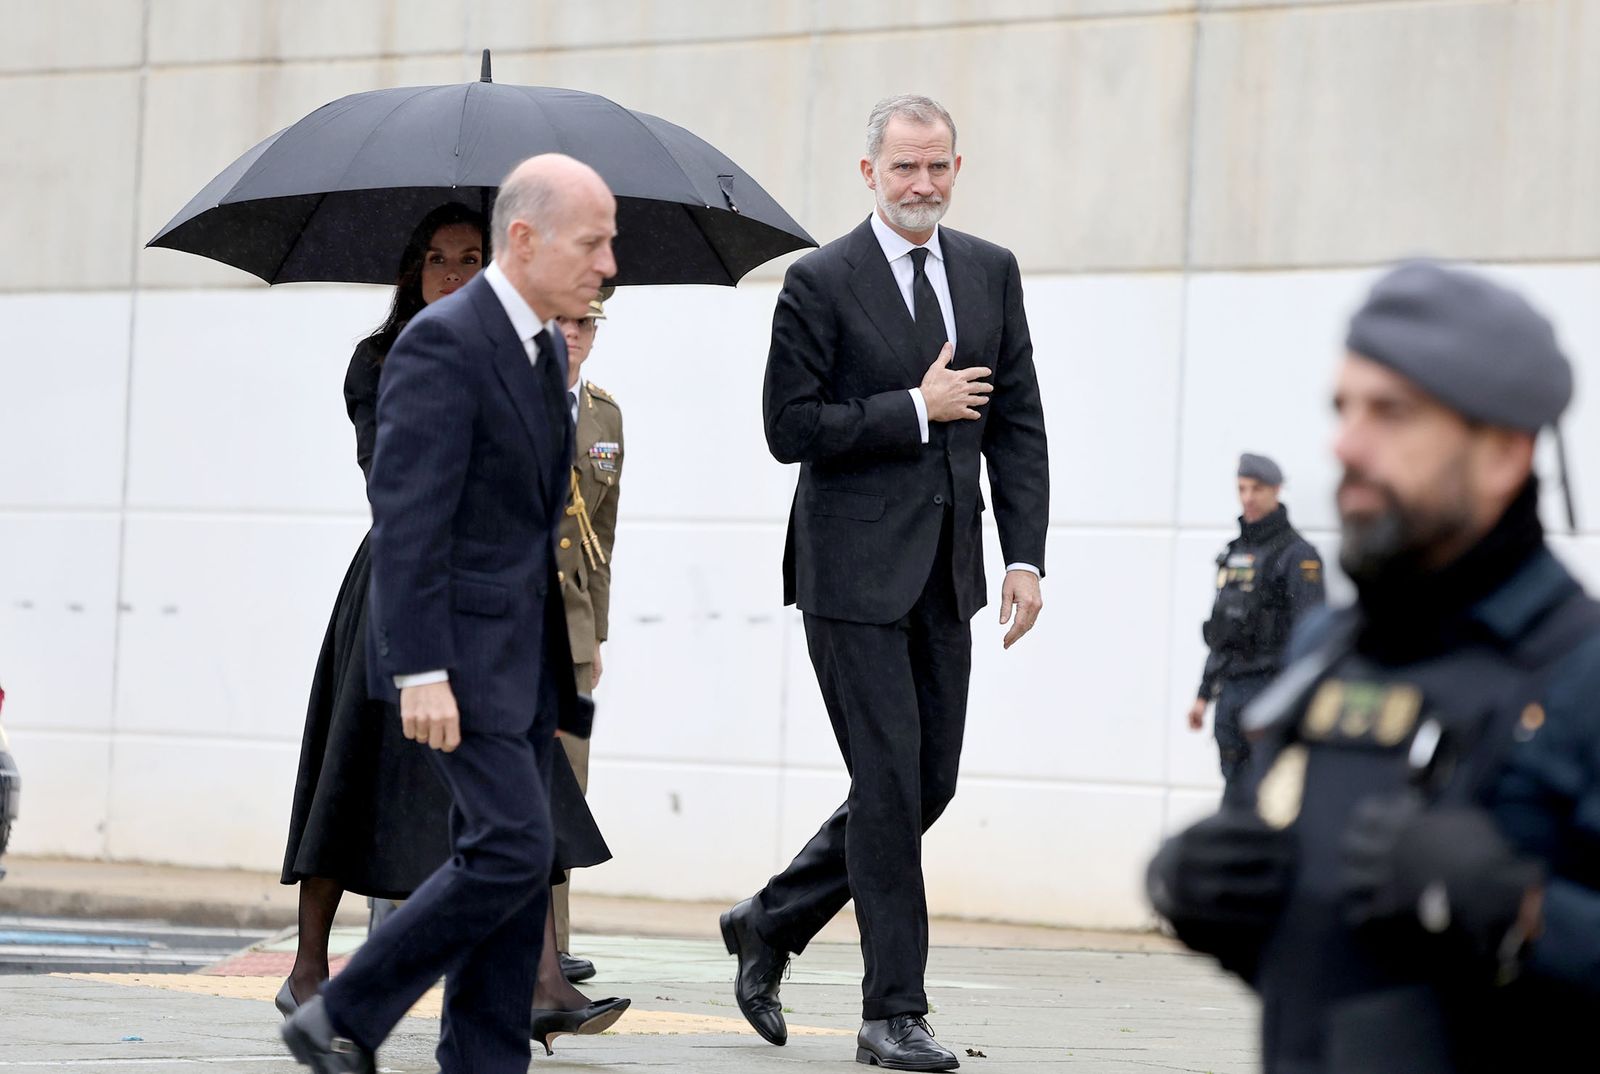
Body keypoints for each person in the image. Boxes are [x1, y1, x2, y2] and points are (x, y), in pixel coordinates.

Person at [1148, 260, 1600, 1073]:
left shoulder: (1581, 674)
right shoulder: (1328, 655)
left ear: (1502, 452)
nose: (1347, 445)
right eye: (1344, 409)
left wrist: (1523, 915)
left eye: (1392, 413)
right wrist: (1220, 904)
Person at [723, 94, 1049, 1072]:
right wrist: (915, 406)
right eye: (904, 167)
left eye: (937, 166)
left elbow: (1018, 423)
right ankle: (890, 1013)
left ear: (958, 168)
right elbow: (789, 429)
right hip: (848, 572)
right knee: (890, 781)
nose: (921, 184)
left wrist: (1024, 556)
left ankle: (771, 919)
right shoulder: (819, 281)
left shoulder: (989, 272)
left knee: (925, 783)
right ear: (869, 172)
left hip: (949, 571)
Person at [280, 154, 618, 1074]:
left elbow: (532, 541)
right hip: (451, 658)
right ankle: (343, 1009)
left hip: (517, 670)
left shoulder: (546, 350)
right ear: (526, 238)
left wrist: (558, 689)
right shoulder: (439, 345)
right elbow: (410, 519)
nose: (608, 263)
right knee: (512, 850)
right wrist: (419, 667)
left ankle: (480, 1060)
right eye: (593, 242)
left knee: (515, 864)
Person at [278, 203, 486, 1015]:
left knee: (520, 785)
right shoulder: (382, 359)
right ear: (412, 272)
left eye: (472, 258)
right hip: (399, 578)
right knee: (353, 773)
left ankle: (541, 981)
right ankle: (306, 971)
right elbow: (389, 479)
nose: (454, 275)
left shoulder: (521, 354)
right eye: (437, 260)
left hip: (491, 591)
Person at [550, 286, 624, 983]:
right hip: (507, 623)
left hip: (569, 633)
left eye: (584, 324)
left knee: (564, 789)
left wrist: (594, 634)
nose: (573, 335)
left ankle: (554, 951)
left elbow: (600, 536)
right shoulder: (509, 397)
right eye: (560, 322)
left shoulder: (604, 414)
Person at [1187, 454, 1324, 800]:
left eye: (1257, 489)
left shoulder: (1297, 555)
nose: (1248, 497)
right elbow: (1222, 632)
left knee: (1269, 793)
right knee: (1234, 787)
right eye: (1241, 489)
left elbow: (1312, 636)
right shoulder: (1235, 553)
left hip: (1270, 688)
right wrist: (1204, 694)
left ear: (1276, 490)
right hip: (1231, 691)